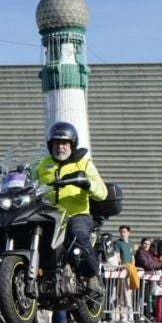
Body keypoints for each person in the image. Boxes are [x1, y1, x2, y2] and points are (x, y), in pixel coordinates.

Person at [34, 122, 108, 292]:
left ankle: (93, 276)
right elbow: (26, 177)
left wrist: (87, 184)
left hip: (76, 214)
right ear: (50, 144)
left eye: (64, 143)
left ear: (72, 144)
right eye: (57, 142)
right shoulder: (41, 165)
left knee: (78, 235)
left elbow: (102, 192)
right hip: (48, 216)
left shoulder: (83, 163)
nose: (60, 146)